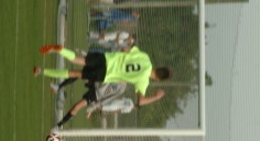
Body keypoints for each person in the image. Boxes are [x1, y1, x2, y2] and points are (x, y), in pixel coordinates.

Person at [33, 44, 171, 116]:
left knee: (77, 60)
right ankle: (41, 71)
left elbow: (125, 48)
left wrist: (120, 57)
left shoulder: (145, 58)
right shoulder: (143, 80)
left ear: (158, 67)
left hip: (106, 58)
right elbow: (141, 101)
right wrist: (156, 97)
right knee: (75, 73)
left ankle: (61, 50)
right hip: (105, 74)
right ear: (158, 79)